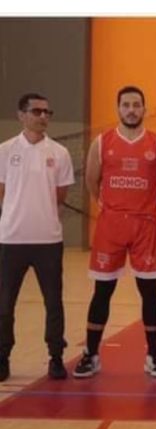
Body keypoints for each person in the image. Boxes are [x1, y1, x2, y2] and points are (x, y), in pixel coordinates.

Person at [74, 86, 156, 378]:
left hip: (145, 225)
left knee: (150, 291)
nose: (131, 110)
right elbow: (92, 181)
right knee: (102, 291)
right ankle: (91, 354)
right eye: (126, 105)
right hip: (111, 226)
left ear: (144, 108)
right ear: (118, 108)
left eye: (136, 105)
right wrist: (111, 206)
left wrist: (150, 206)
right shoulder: (102, 142)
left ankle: (153, 356)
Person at [0, 93, 74, 382]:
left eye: (47, 112)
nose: (43, 116)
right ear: (21, 115)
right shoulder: (5, 151)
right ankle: (2, 357)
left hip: (48, 241)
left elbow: (60, 195)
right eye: (37, 111)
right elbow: (3, 192)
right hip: (11, 240)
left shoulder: (60, 153)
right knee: (4, 303)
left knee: (53, 302)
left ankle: (55, 357)